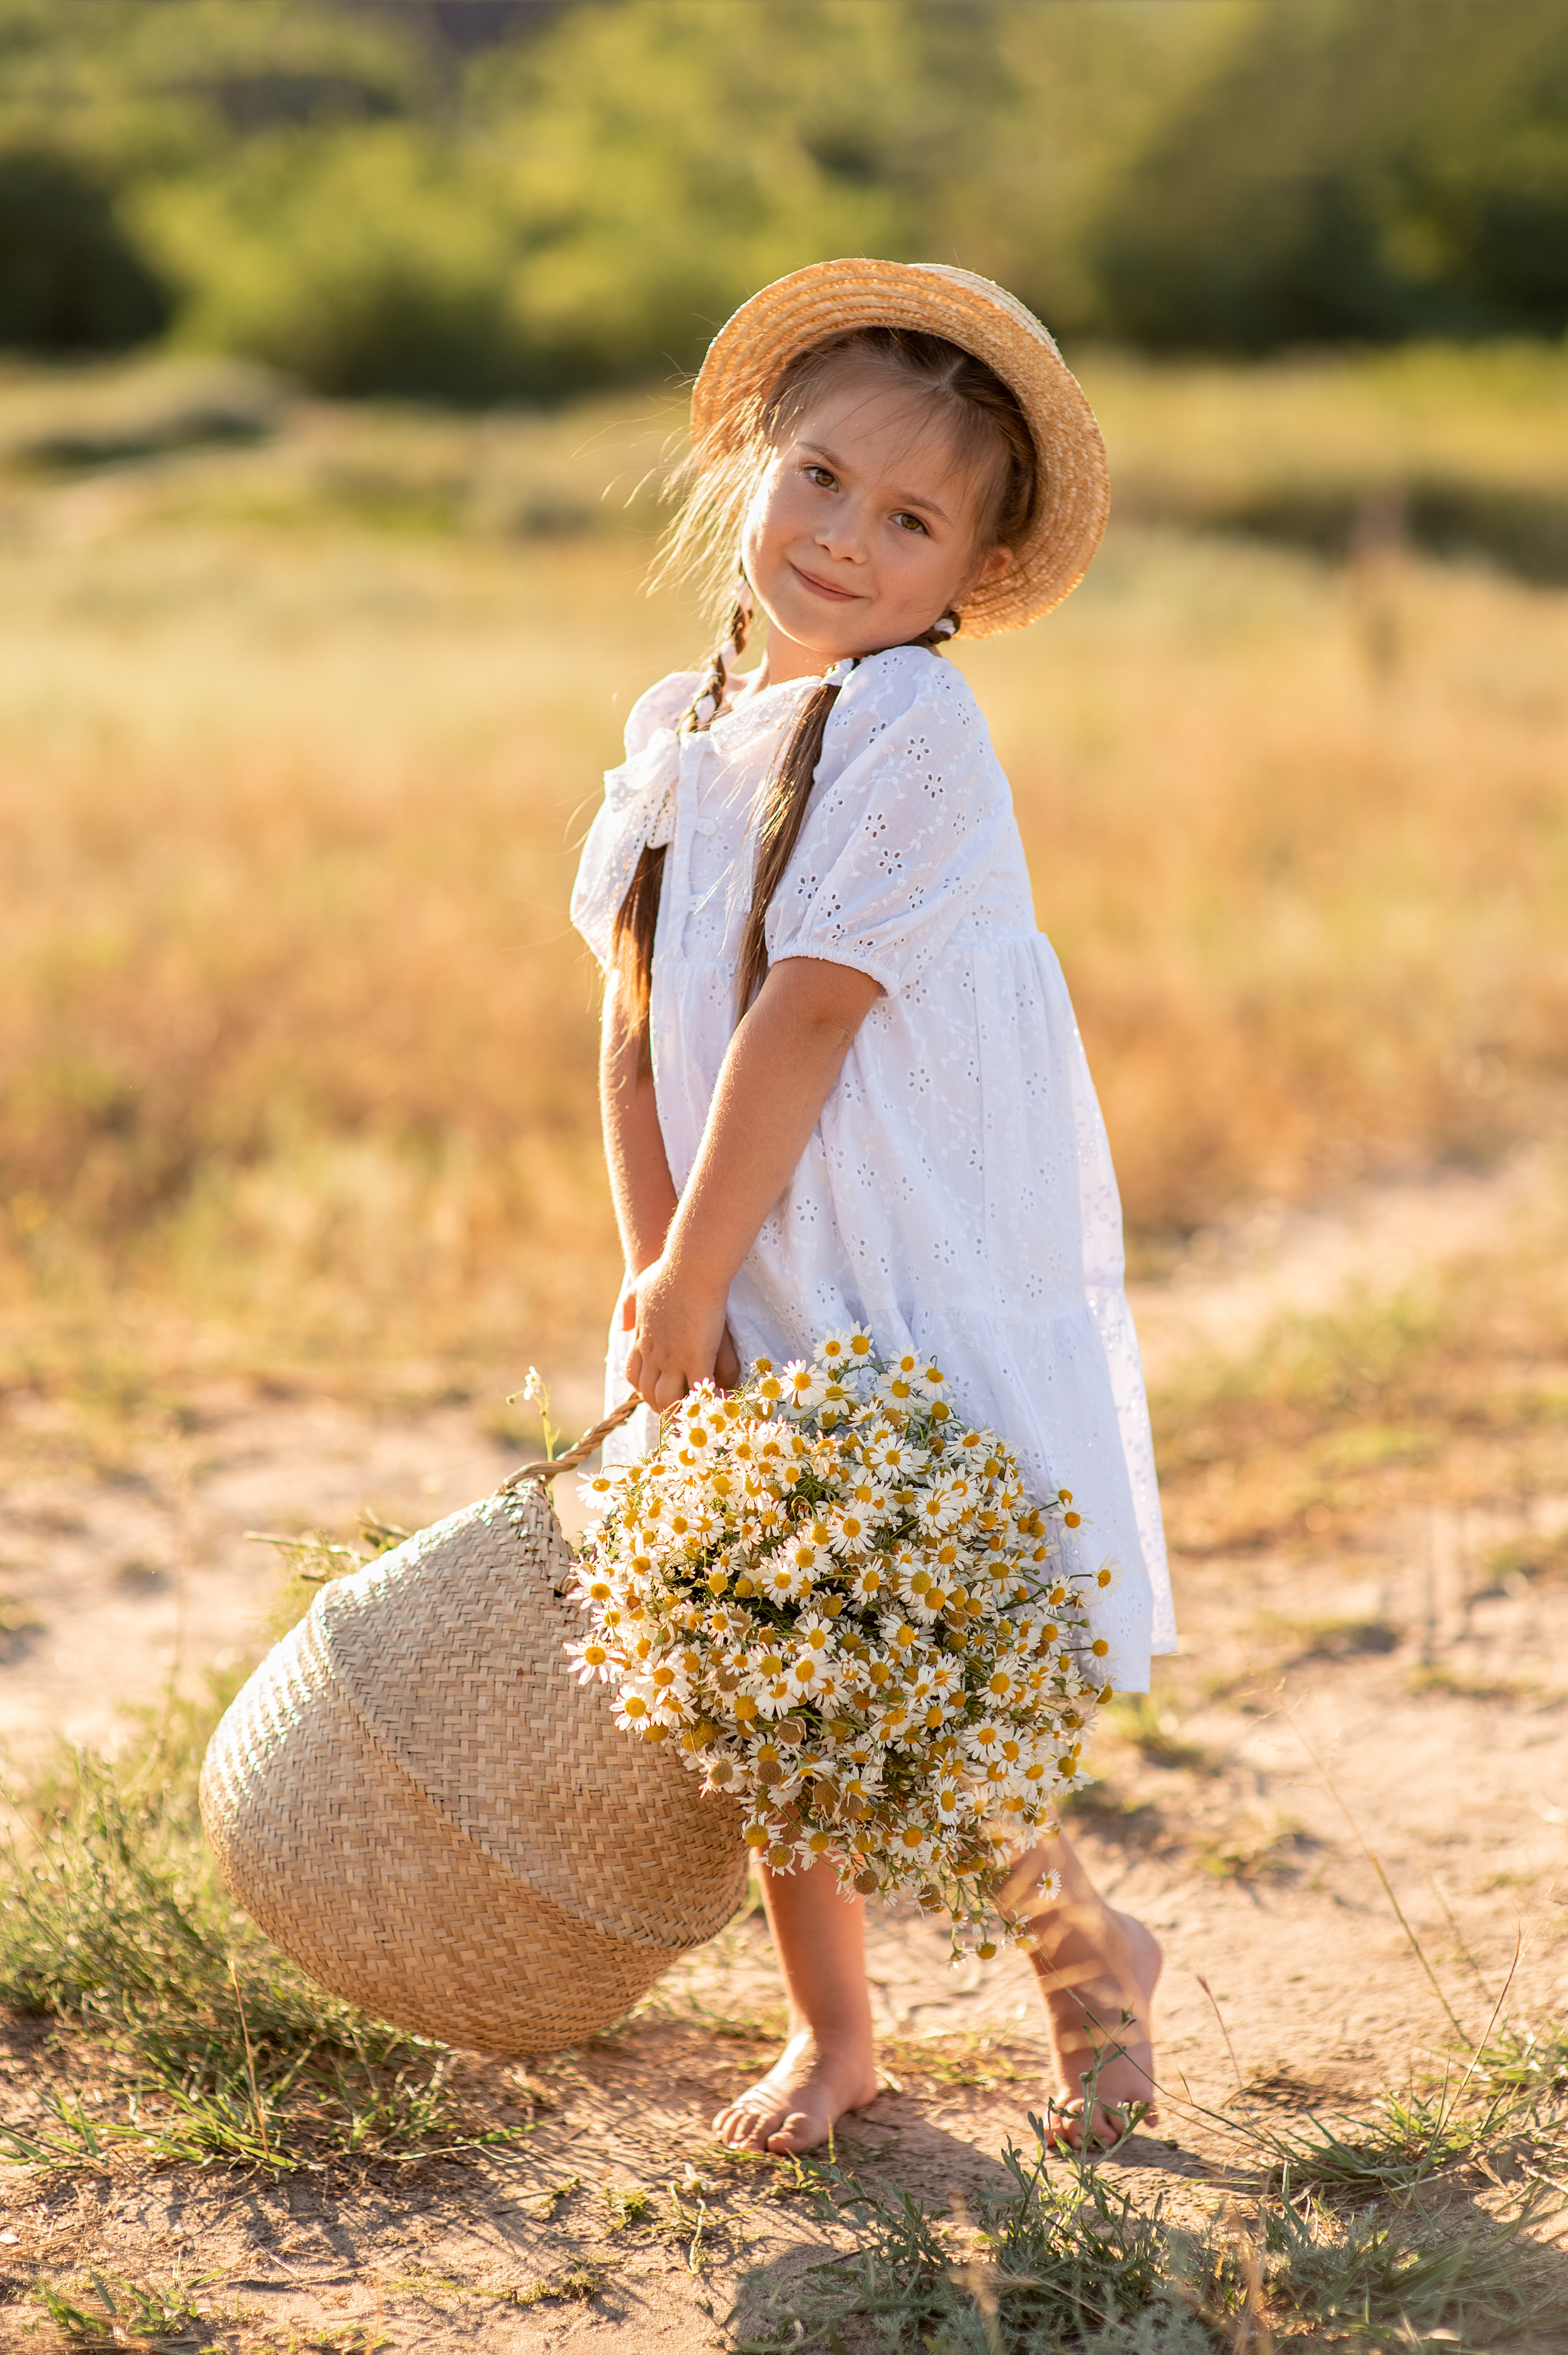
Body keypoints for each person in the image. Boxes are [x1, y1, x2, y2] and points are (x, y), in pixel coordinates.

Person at [570, 261, 1174, 2158]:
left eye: (910, 520)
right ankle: (835, 2034)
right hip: (724, 1251)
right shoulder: (681, 725)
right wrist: (659, 1277)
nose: (844, 537)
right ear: (754, 461)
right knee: (766, 1654)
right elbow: (633, 1024)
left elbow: (810, 1015)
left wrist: (700, 1263)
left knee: (912, 1653)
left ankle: (1088, 1962)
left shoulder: (913, 729)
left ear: (970, 575)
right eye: (821, 477)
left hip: (881, 1261)